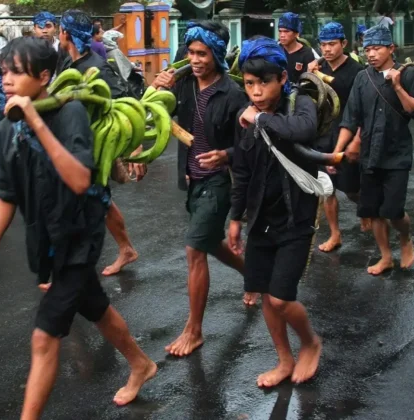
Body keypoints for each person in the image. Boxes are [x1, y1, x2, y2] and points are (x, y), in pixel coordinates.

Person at [0, 37, 156, 416]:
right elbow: (6, 195)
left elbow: (80, 179)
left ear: (44, 77)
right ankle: (141, 364)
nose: (6, 80)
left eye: (16, 73)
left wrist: (35, 120)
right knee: (94, 305)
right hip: (46, 239)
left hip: (79, 235)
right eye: (4, 72)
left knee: (44, 335)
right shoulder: (6, 130)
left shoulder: (69, 115)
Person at [152, 20, 251, 356]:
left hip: (220, 182)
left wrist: (226, 153)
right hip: (192, 180)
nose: (194, 60)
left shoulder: (233, 95)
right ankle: (253, 274)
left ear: (217, 55)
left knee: (195, 249)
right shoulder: (183, 85)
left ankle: (194, 331)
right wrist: (157, 86)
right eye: (191, 52)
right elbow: (153, 114)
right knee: (209, 241)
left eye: (202, 54)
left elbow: (252, 145)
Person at [229, 36, 322, 387]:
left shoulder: (301, 102)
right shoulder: (247, 117)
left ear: (282, 79)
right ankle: (284, 359)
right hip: (260, 220)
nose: (255, 91)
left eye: (263, 82)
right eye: (249, 84)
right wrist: (236, 218)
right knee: (266, 293)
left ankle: (311, 342)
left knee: (282, 297)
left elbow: (303, 130)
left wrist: (260, 120)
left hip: (296, 217)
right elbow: (242, 170)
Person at [333, 26, 414, 275]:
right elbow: (350, 119)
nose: (371, 54)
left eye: (377, 49)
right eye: (367, 50)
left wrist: (397, 86)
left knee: (394, 211)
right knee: (373, 210)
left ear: (391, 49)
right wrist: (337, 152)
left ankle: (405, 238)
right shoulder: (363, 78)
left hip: (396, 153)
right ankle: (386, 256)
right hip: (369, 156)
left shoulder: (408, 75)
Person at [59, 9, 143, 277]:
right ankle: (125, 248)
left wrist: (133, 148)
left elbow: (123, 103)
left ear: (66, 34)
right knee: (99, 201)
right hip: (74, 145)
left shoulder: (96, 65)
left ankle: (75, 265)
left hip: (93, 148)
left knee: (93, 202)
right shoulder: (69, 62)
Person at [307, 22, 368, 252]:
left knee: (352, 189)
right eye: (323, 45)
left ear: (343, 43)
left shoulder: (357, 72)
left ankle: (365, 208)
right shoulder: (319, 68)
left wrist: (357, 140)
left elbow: (358, 105)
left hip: (350, 133)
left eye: (332, 44)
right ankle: (335, 234)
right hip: (325, 134)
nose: (327, 49)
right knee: (327, 188)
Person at [278, 12, 317, 84]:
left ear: (296, 34)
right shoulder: (275, 50)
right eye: (280, 31)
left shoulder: (306, 53)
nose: (282, 35)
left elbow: (309, 81)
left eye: (286, 31)